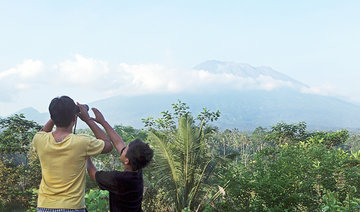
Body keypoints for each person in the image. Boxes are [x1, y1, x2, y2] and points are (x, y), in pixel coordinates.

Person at [32, 96, 113, 212]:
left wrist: (56, 115)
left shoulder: (39, 139)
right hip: (72, 206)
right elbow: (108, 145)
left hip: (44, 206)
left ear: (52, 117)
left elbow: (43, 132)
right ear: (74, 118)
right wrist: (88, 119)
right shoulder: (82, 142)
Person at [86, 108, 154, 212]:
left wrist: (85, 153)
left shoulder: (118, 179)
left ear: (127, 160)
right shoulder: (137, 171)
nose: (123, 148)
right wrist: (103, 122)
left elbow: (93, 173)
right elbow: (118, 143)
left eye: (126, 149)